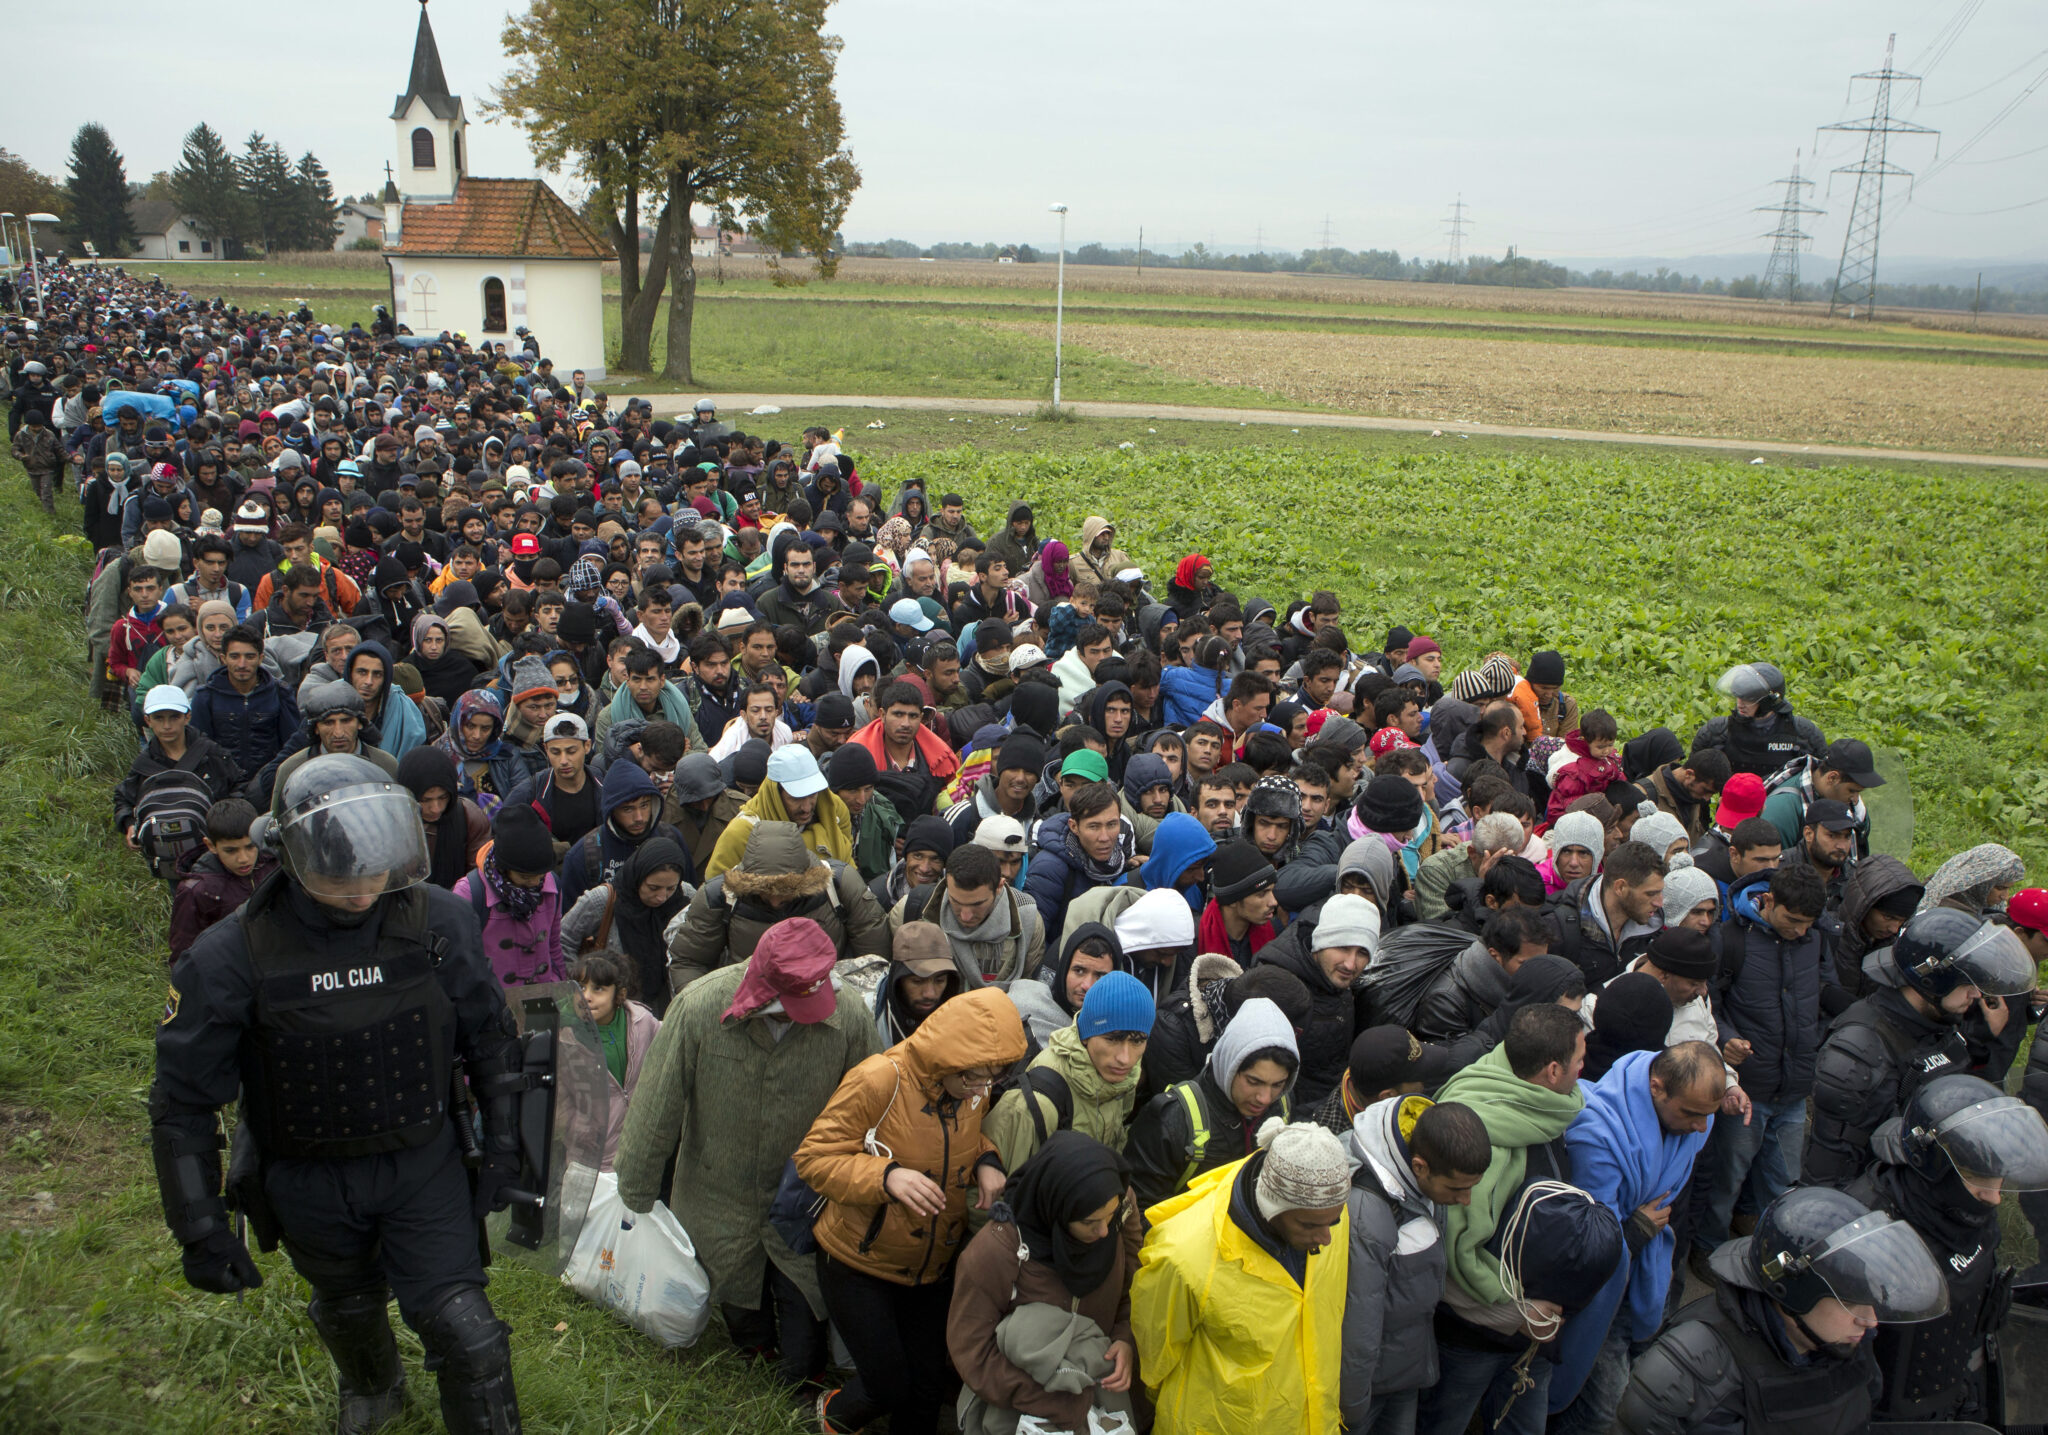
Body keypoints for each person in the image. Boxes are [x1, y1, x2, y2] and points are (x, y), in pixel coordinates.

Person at [149, 755, 528, 1431]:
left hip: (422, 1162)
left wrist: (506, 1146)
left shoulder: (437, 921)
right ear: (291, 854)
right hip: (306, 1171)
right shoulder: (229, 956)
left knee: (471, 1336)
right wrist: (200, 1224)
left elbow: (491, 1039)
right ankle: (375, 1385)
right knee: (350, 1303)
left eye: (375, 870)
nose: (361, 890)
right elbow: (182, 1099)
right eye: (342, 873)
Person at [616, 916, 879, 1394]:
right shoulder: (698, 1007)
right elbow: (656, 1105)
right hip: (719, 1195)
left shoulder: (850, 1019)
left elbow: (873, 1108)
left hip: (804, 1203)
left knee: (805, 1330)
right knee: (740, 1312)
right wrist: (634, 1193)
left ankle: (804, 1385)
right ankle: (751, 1357)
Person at [798, 987, 1028, 1435]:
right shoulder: (878, 1079)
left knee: (925, 1391)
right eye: (974, 1079)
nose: (982, 1091)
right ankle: (825, 1418)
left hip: (930, 1269)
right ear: (946, 1060)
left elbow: (958, 1139)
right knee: (887, 1387)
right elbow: (814, 1158)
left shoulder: (972, 1089)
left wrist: (985, 1160)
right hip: (858, 1261)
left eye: (992, 1079)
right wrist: (886, 1177)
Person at [1616, 1186, 1948, 1435]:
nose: (1871, 1320)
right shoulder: (1688, 1374)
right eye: (1850, 1301)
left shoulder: (1845, 1336)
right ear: (1792, 1292)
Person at [1421, 1003, 1587, 1435]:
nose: (1584, 1071)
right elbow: (1455, 1255)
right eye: (1580, 1061)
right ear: (1552, 1070)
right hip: (1474, 1339)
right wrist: (1517, 1313)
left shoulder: (1541, 1108)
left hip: (1529, 1334)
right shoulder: (1483, 1134)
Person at [1847, 1072, 2048, 1423]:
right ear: (1935, 1165)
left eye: (1997, 1175)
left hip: (1960, 1390)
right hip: (1885, 1417)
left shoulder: (1970, 1210)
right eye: (1978, 1178)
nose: (1995, 1196)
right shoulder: (1869, 1231)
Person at [1131, 1118, 1353, 1434]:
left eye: (1332, 1221)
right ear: (1272, 1205)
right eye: (1308, 1225)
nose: (1326, 1238)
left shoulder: (1327, 1213)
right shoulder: (1183, 1258)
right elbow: (1154, 1362)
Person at [1547, 1043, 1724, 1435]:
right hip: (1602, 1292)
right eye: (1692, 1114)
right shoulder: (1598, 1136)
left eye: (1707, 1116)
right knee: (1601, 1411)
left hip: (1646, 1278)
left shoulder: (1695, 1116)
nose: (1701, 1128)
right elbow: (1592, 1239)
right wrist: (1637, 1231)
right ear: (1657, 1088)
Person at [1806, 907, 2034, 1189]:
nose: (1977, 994)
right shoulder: (1859, 1051)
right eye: (1968, 984)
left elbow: (1954, 1101)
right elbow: (1831, 1172)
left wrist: (1978, 1041)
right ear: (1933, 979)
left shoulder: (1938, 1021)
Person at [948, 1131, 1142, 1434]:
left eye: (1111, 1217)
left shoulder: (1117, 1204)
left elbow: (1136, 1285)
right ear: (1056, 1210)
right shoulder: (995, 1252)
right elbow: (972, 1351)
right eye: (1090, 1223)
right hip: (1019, 1407)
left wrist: (1124, 1338)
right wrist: (1046, 1399)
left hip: (1099, 1392)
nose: (1105, 1232)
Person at [1340, 1097, 1493, 1435]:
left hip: (1402, 1373)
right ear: (1420, 1166)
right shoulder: (1368, 1215)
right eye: (1457, 1188)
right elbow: (1359, 1328)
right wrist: (1351, 1410)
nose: (1465, 1200)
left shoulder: (1423, 1176)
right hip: (1369, 1389)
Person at [1126, 996, 1301, 1211]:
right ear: (1229, 1065)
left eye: (1277, 1085)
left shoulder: (1282, 1106)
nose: (1265, 1098)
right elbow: (1142, 1208)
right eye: (1253, 1082)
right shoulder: (1171, 1118)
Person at [667, 820, 889, 990]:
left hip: (828, 997)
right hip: (745, 1005)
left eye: (787, 893)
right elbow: (689, 962)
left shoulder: (840, 885)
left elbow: (875, 959)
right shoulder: (719, 896)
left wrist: (854, 1004)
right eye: (763, 893)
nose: (775, 902)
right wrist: (708, 1009)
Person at [987, 970, 1154, 1172]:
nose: (1125, 1058)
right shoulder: (1035, 1104)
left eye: (1138, 1041)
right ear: (1086, 1035)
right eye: (1112, 1039)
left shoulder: (1125, 1078)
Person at [115, 685, 246, 851]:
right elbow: (123, 798)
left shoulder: (211, 754)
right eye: (159, 718)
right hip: (165, 849)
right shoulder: (144, 764)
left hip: (211, 847)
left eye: (174, 717)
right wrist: (130, 825)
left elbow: (238, 787)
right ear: (148, 721)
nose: (167, 726)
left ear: (187, 717)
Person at [451, 802, 565, 989]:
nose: (536, 883)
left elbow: (554, 946)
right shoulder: (470, 893)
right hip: (495, 1007)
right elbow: (460, 963)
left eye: (541, 875)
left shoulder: (551, 885)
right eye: (525, 877)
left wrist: (562, 991)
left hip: (544, 1001)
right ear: (504, 869)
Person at [567, 950, 662, 1173]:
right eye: (579, 987)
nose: (586, 996)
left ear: (619, 995)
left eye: (598, 989)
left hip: (637, 1149)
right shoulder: (566, 1037)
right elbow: (559, 1098)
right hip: (589, 1156)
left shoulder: (643, 1023)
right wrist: (578, 1128)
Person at [169, 798, 276, 964]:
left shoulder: (276, 866)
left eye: (250, 847)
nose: (243, 858)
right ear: (211, 846)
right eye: (231, 850)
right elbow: (183, 952)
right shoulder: (197, 890)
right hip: (228, 972)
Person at [871, 919, 984, 1045]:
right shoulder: (869, 1014)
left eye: (940, 980)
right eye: (917, 981)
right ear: (897, 978)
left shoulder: (965, 1019)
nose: (930, 994)